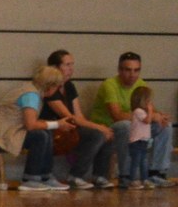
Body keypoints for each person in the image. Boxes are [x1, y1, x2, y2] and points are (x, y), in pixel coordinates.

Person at [0, 64, 67, 191]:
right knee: (40, 136)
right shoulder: (31, 95)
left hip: (1, 133)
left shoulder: (31, 90)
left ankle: (45, 176)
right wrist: (58, 124)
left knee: (45, 133)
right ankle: (31, 178)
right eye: (57, 87)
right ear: (50, 86)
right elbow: (31, 125)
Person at [91, 52, 172, 188]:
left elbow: (150, 109)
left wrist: (159, 116)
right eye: (128, 70)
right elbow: (117, 116)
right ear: (119, 70)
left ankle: (156, 173)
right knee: (126, 126)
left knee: (165, 126)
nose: (132, 74)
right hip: (110, 129)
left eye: (136, 70)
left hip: (137, 129)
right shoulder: (109, 85)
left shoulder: (141, 84)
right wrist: (152, 116)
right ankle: (126, 175)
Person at [39, 48, 112, 188]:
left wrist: (101, 128)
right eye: (67, 65)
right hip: (54, 131)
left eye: (72, 64)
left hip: (69, 129)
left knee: (107, 134)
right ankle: (76, 175)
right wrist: (99, 127)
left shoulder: (69, 86)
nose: (71, 69)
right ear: (55, 68)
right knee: (98, 134)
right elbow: (70, 117)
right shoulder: (50, 89)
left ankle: (99, 175)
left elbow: (79, 115)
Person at [123, 85, 156, 188]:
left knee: (144, 161)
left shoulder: (142, 112)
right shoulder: (138, 111)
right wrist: (150, 111)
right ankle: (133, 180)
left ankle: (145, 179)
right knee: (136, 161)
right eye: (148, 100)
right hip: (137, 141)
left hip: (143, 141)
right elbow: (147, 121)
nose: (150, 102)